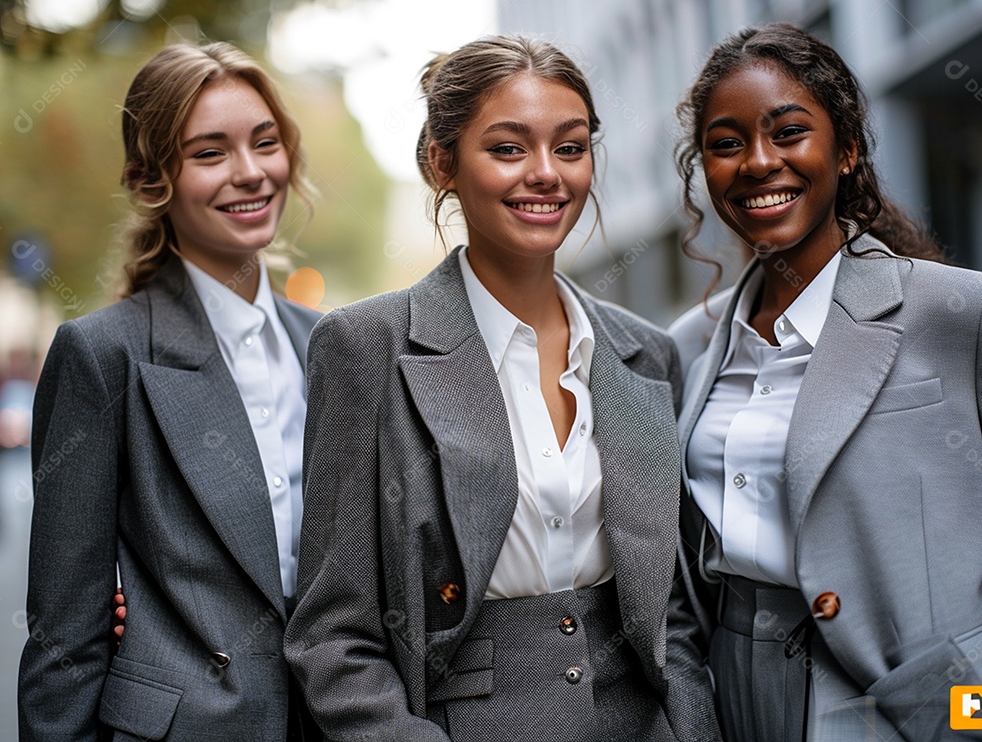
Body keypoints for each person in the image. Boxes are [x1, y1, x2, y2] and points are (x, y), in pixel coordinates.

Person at [284, 35, 720, 742]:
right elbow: (334, 635)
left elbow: (669, 607)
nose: (546, 174)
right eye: (509, 148)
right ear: (441, 163)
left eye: (571, 147)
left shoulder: (647, 355)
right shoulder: (366, 347)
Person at [668, 22, 982, 741]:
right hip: (738, 688)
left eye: (789, 132)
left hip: (928, 696)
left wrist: (961, 596)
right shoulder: (691, 344)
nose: (758, 162)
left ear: (845, 149)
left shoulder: (953, 309)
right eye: (726, 143)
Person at [18, 42, 321, 741]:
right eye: (209, 153)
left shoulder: (332, 347)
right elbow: (65, 635)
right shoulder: (103, 356)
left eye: (265, 142)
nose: (250, 173)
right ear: (151, 179)